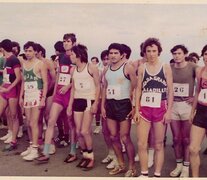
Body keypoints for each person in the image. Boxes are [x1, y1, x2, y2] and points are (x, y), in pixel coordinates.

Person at [134, 38, 173, 177]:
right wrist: (136, 109)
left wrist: (169, 112)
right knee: (141, 144)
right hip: (144, 108)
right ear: (144, 52)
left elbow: (170, 91)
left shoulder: (165, 67)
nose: (151, 54)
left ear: (159, 52)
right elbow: (138, 89)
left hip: (160, 107)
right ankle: (144, 174)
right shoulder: (141, 68)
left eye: (154, 51)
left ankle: (157, 175)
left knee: (158, 145)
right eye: (148, 51)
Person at [35, 33, 77, 163]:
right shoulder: (60, 57)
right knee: (51, 120)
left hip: (71, 94)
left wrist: (69, 86)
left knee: (71, 124)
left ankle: (73, 151)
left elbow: (78, 76)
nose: (65, 43)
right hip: (59, 94)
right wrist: (54, 92)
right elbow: (59, 74)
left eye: (68, 41)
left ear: (74, 43)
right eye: (64, 41)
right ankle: (46, 152)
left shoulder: (77, 56)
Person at [102, 43, 137, 177]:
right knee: (113, 136)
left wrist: (134, 107)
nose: (112, 55)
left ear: (122, 55)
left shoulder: (128, 68)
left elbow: (135, 87)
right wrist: (102, 107)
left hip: (124, 105)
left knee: (125, 137)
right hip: (110, 105)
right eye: (111, 53)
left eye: (116, 53)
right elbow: (104, 88)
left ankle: (132, 167)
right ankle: (121, 164)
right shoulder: (106, 69)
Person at [67, 44, 100, 170]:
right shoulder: (73, 70)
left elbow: (98, 87)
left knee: (84, 131)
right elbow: (73, 89)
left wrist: (96, 103)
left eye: (72, 55)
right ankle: (85, 155)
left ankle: (91, 157)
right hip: (77, 101)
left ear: (79, 55)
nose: (70, 57)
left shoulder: (91, 68)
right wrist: (70, 105)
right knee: (78, 132)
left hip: (88, 100)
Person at [169, 45, 197, 177]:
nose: (176, 56)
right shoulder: (169, 68)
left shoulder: (193, 67)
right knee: (175, 139)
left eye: (179, 53)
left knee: (186, 139)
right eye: (174, 53)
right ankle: (178, 165)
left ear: (185, 54)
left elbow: (204, 78)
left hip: (187, 106)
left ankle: (186, 166)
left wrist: (195, 97)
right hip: (173, 106)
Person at [19, 41, 48, 161]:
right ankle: (31, 145)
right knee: (28, 123)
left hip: (37, 94)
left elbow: (46, 82)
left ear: (35, 51)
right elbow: (24, 82)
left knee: (33, 123)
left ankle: (35, 149)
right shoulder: (24, 64)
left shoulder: (40, 64)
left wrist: (43, 99)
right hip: (28, 95)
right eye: (26, 50)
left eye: (30, 50)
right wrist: (21, 96)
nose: (28, 53)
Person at [0, 39, 21, 151]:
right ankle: (11, 135)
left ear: (3, 48)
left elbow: (18, 78)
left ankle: (14, 141)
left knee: (14, 115)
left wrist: (9, 88)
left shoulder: (13, 59)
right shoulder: (6, 59)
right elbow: (7, 77)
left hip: (12, 91)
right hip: (5, 89)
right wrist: (2, 86)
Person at [189, 45, 207, 177]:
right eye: (206, 54)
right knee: (193, 149)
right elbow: (197, 93)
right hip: (201, 111)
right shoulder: (200, 71)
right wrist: (192, 112)